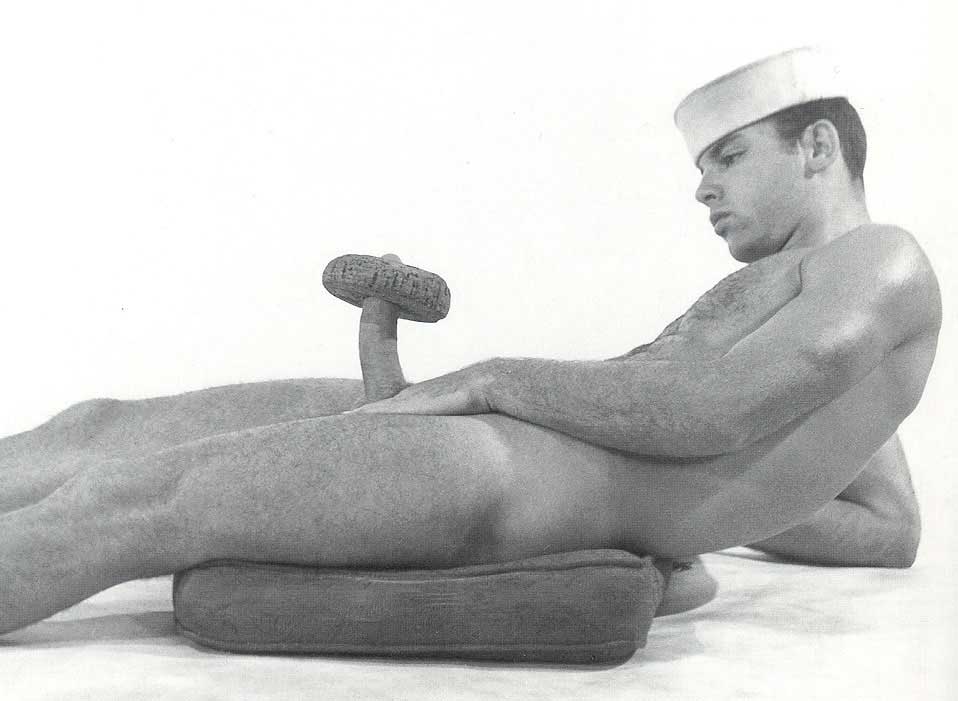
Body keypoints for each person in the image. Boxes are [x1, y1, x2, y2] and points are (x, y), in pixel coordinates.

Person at [0, 47, 940, 635]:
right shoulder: (821, 305)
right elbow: (886, 527)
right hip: (499, 453)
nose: (703, 187)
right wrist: (699, 513)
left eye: (729, 156)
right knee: (99, 428)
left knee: (126, 501)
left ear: (818, 148)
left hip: (500, 472)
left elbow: (718, 412)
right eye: (703, 165)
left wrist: (493, 381)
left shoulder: (882, 260)